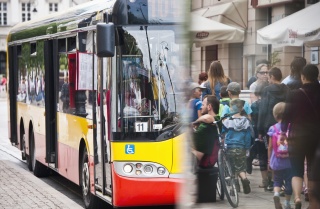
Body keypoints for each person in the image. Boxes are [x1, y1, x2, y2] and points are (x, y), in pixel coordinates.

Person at [281, 64, 320, 209]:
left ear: (303, 77)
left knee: (296, 170)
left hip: (297, 137)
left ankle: (297, 198)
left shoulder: (294, 94)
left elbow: (287, 116)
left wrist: (283, 133)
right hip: (317, 137)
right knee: (313, 170)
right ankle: (312, 201)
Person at [257, 67, 289, 192]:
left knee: (268, 152)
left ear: (272, 77)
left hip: (269, 127)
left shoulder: (267, 90)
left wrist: (260, 129)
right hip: (285, 126)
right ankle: (285, 181)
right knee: (284, 152)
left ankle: (271, 182)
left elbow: (263, 109)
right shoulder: (287, 89)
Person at [222, 99, 252, 194]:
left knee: (232, 168)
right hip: (241, 147)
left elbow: (223, 133)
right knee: (241, 167)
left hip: (230, 146)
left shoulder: (228, 121)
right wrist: (247, 148)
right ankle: (244, 178)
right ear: (241, 108)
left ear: (232, 109)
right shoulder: (246, 121)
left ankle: (234, 189)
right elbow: (248, 137)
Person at [267, 102, 292, 209]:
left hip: (276, 161)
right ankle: (287, 203)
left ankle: (276, 194)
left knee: (277, 180)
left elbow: (270, 147)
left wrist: (269, 160)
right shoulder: (291, 127)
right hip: (290, 161)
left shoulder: (273, 128)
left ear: (275, 115)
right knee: (289, 182)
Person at [247, 81, 269, 174]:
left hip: (257, 131)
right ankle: (270, 180)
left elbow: (252, 119)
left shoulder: (254, 105)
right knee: (269, 155)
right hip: (268, 130)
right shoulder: (269, 104)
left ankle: (265, 181)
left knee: (261, 155)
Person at [192, 95, 220, 168]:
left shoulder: (210, 123)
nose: (201, 107)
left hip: (195, 160)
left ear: (209, 107)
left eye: (203, 105)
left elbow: (208, 118)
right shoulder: (217, 121)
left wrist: (195, 122)